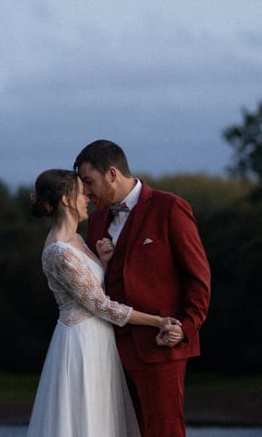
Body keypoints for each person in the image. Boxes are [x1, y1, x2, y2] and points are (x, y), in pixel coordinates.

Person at [27, 168, 183, 437]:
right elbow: (100, 305)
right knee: (85, 417)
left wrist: (104, 263)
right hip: (81, 342)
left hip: (99, 339)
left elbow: (92, 286)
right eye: (81, 190)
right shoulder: (58, 251)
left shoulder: (76, 239)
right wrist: (156, 320)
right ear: (66, 199)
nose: (87, 196)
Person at [74, 140, 212, 437]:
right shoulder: (96, 219)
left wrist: (185, 327)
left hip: (160, 345)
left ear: (112, 173)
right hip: (109, 349)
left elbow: (198, 279)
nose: (85, 192)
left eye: (89, 181)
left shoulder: (170, 208)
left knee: (164, 431)